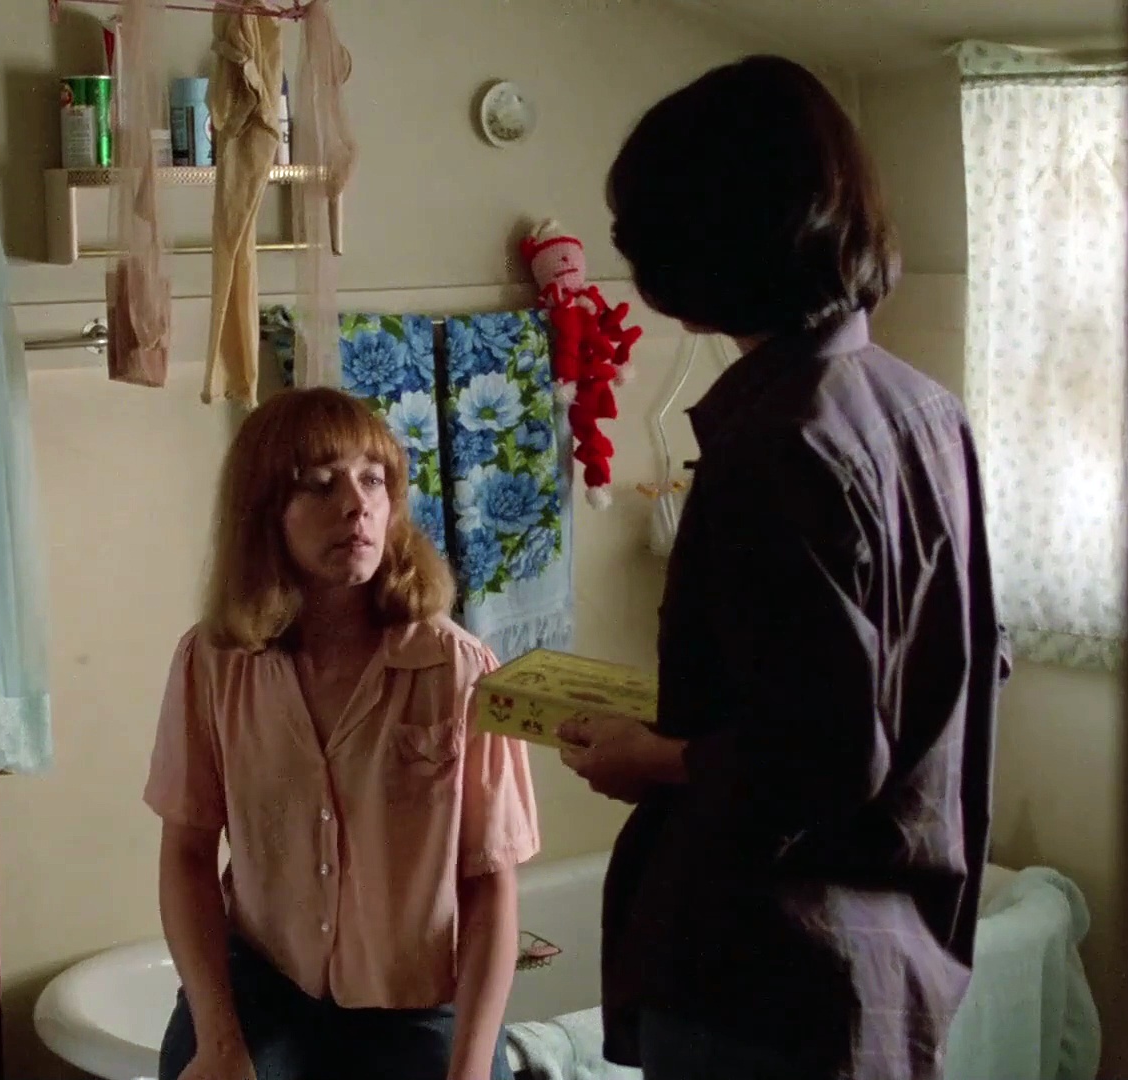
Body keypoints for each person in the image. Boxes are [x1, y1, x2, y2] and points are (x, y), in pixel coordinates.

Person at [556, 56, 1010, 1080]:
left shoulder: (777, 446)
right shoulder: (921, 409)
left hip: (768, 980)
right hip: (889, 966)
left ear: (711, 238)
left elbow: (823, 759)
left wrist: (650, 759)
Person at [145, 387, 540, 1080]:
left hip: (417, 999)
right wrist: (220, 1041)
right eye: (319, 484)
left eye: (373, 480)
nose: (356, 505)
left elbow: (491, 886)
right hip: (263, 981)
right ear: (264, 512)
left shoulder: (458, 670)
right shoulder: (213, 662)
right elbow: (186, 854)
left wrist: (472, 1071)